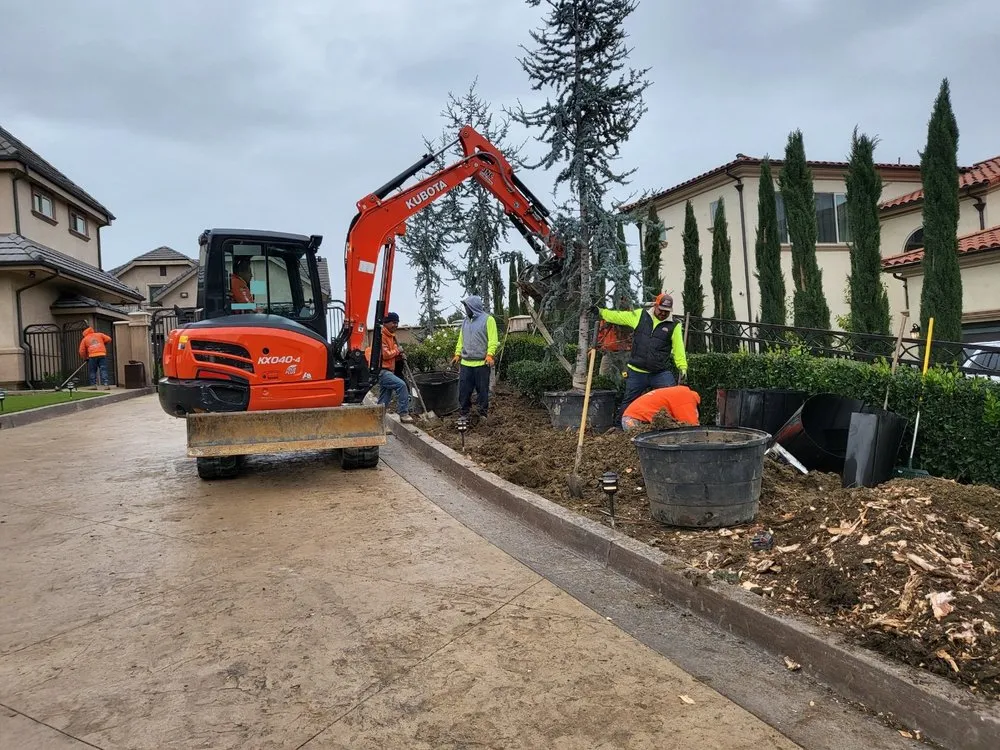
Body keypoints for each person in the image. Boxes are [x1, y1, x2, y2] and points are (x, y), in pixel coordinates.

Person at [593, 292, 688, 419]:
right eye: (661, 310)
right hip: (637, 371)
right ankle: (620, 427)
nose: (663, 313)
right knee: (628, 401)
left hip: (659, 372)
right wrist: (600, 312)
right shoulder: (640, 315)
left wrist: (682, 367)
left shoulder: (674, 325)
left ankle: (675, 426)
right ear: (655, 306)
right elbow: (618, 316)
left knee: (671, 396)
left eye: (667, 311)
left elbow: (679, 348)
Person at [451, 295, 498, 420]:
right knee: (464, 391)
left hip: (481, 364)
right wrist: (457, 354)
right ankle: (464, 413)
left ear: (473, 307)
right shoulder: (465, 321)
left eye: (467, 306)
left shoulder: (488, 320)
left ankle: (482, 414)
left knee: (482, 391)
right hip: (466, 364)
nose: (465, 309)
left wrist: (489, 355)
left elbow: (493, 340)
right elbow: (461, 339)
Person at [376, 312, 413, 423]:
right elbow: (386, 355)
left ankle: (377, 421)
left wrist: (399, 357)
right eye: (393, 322)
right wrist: (398, 351)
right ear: (386, 323)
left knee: (384, 399)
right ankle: (404, 414)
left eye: (397, 323)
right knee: (401, 386)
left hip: (389, 371)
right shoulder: (382, 336)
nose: (396, 325)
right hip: (382, 371)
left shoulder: (391, 337)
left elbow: (391, 355)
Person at [621, 385, 701, 431]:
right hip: (634, 421)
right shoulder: (685, 397)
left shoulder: (678, 393)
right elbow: (691, 427)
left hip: (629, 419)